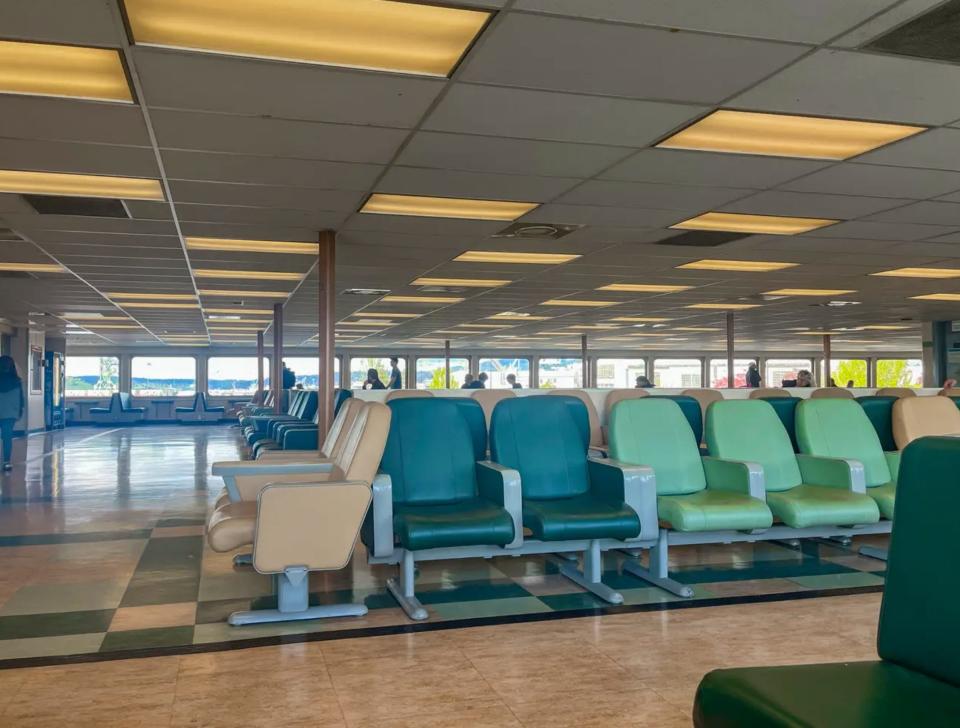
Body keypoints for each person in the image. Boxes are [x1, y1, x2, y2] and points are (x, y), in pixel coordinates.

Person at [0, 356, 24, 472]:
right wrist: (20, 411)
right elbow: (21, 398)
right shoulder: (16, 381)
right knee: (7, 438)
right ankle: (6, 462)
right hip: (10, 413)